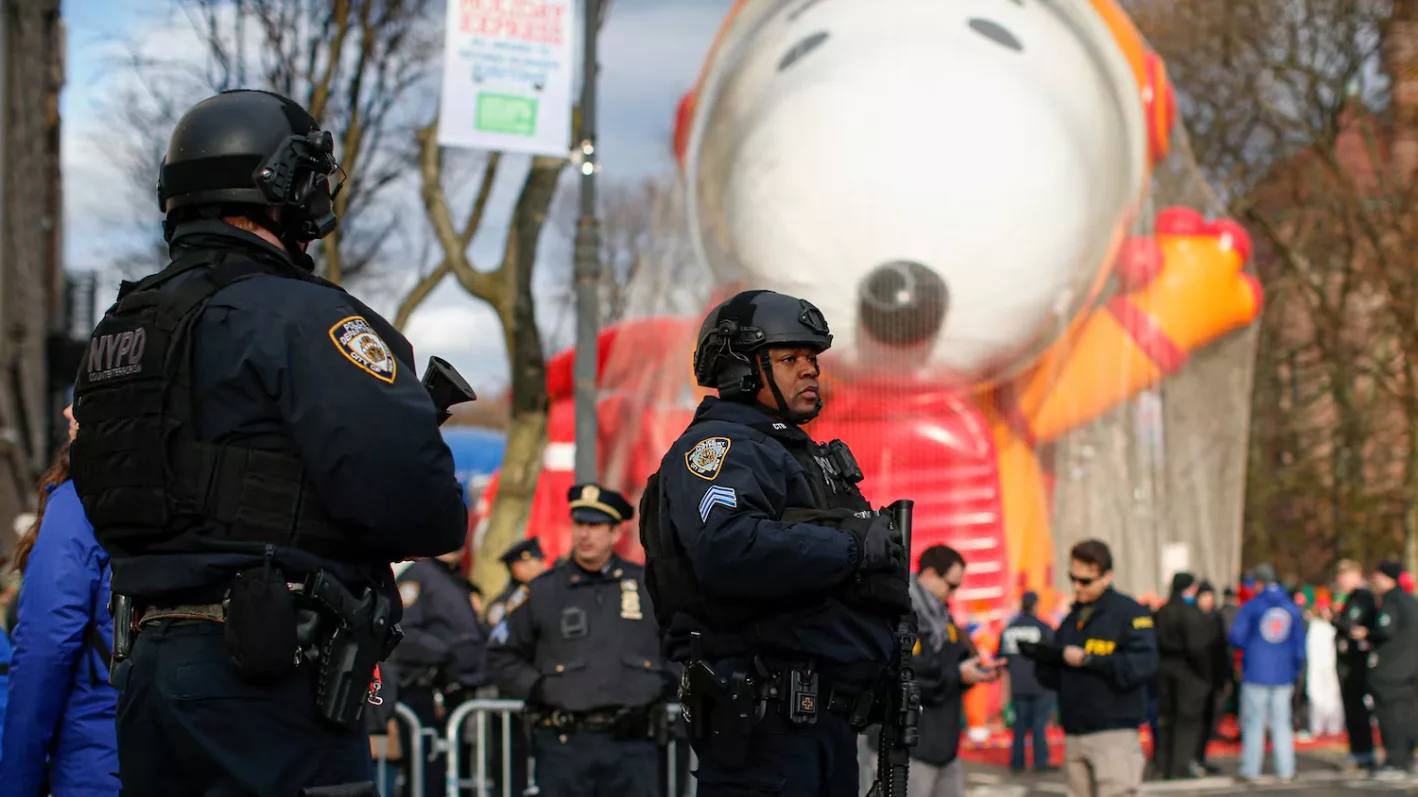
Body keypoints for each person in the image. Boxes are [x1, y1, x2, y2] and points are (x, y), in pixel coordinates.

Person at [68, 89, 469, 796]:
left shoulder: (122, 327)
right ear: (284, 185)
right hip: (266, 677)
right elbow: (425, 507)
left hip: (150, 665)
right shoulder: (304, 316)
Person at [640, 289, 909, 797]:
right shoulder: (721, 446)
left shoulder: (797, 453)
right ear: (737, 368)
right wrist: (851, 548)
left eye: (812, 358)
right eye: (790, 358)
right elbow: (728, 546)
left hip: (823, 721)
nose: (810, 370)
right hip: (767, 726)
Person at [487, 484, 673, 797]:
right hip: (565, 746)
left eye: (596, 526)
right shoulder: (542, 591)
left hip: (635, 746)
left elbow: (678, 648)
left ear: (615, 533)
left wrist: (662, 686)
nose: (585, 535)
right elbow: (500, 656)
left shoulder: (646, 586)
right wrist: (539, 687)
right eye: (579, 524)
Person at [0, 410, 119, 797]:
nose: (68, 411)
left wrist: (17, 785)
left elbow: (44, 650)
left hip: (96, 764)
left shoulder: (81, 503)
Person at [1024, 540, 1157, 797]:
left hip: (1113, 734)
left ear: (1107, 576)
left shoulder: (1129, 612)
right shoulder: (1073, 618)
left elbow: (1142, 666)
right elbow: (1055, 676)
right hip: (1075, 733)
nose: (1076, 586)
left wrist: (1088, 660)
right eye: (1072, 578)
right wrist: (1043, 657)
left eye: (1085, 581)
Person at [891, 545, 1004, 797]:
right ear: (929, 574)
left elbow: (957, 660)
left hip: (944, 745)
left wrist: (977, 670)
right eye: (951, 585)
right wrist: (959, 674)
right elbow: (912, 674)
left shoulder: (942, 616)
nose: (953, 594)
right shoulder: (898, 610)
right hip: (907, 747)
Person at [391, 541, 489, 797]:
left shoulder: (456, 580)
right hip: (425, 693)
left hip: (456, 696)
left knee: (456, 778)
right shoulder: (420, 576)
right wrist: (446, 653)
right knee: (428, 779)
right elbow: (403, 631)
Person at [1227, 563, 1305, 783]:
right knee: (1282, 723)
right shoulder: (1290, 608)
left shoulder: (1252, 607)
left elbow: (1236, 637)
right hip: (1283, 674)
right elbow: (1300, 645)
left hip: (1256, 673)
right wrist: (1295, 669)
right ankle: (1286, 770)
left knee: (1254, 723)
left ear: (1259, 583)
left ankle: (1250, 770)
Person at [1356, 561, 1418, 780]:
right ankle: (1407, 758)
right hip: (1409, 669)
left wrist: (1366, 634)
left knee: (1391, 716)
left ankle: (1395, 762)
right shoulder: (1411, 600)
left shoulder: (1392, 601)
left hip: (1391, 670)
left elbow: (1385, 629)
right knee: (1407, 714)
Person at [1153, 572, 1212, 780]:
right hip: (1188, 674)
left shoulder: (1162, 612)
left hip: (1164, 672)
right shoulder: (1190, 613)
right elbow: (1198, 648)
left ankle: (1163, 765)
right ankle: (1179, 766)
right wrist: (1206, 676)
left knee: (1166, 721)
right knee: (1186, 724)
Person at [999, 590, 1056, 774]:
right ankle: (1040, 761)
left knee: (1019, 725)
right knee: (1039, 723)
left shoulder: (1009, 629)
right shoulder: (1042, 627)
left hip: (1017, 684)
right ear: (1035, 605)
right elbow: (1053, 654)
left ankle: (1017, 762)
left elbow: (1002, 658)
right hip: (1039, 683)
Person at [1331, 559, 1377, 772]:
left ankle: (1363, 751)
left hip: (1356, 661)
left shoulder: (1362, 597)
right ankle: (1358, 750)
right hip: (1347, 658)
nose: (1341, 582)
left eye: (1344, 577)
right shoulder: (1351, 597)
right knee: (1351, 707)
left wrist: (1334, 618)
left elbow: (1350, 624)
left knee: (1357, 706)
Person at [1193, 581, 1229, 773]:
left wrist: (1225, 676)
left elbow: (1223, 650)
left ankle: (1201, 757)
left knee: (1209, 720)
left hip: (1213, 677)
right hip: (1195, 679)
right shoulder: (1192, 619)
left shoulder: (1217, 619)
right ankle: (1192, 759)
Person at [485, 537, 548, 629]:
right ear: (517, 567)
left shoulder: (541, 594)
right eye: (539, 561)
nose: (544, 566)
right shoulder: (507, 604)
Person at [1304, 598, 1344, 738]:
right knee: (1315, 694)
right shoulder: (1312, 625)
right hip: (1315, 665)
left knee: (1333, 694)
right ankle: (1316, 726)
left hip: (1331, 664)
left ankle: (1334, 726)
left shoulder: (1334, 625)